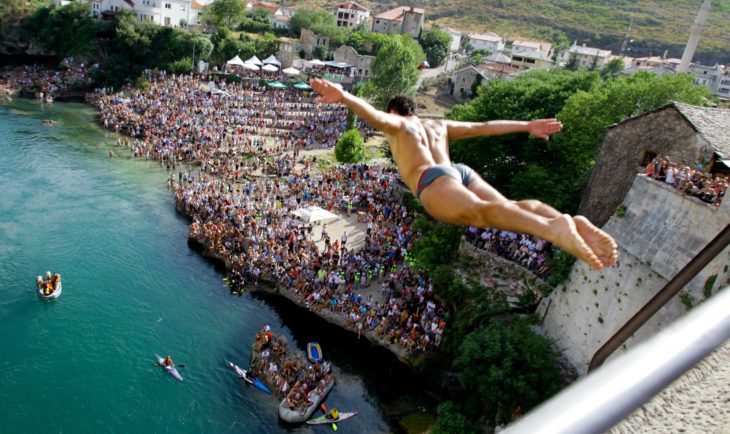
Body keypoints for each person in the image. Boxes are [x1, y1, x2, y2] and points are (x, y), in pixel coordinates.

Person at [309, 78, 618, 270]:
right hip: (458, 171)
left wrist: (345, 98)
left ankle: (556, 229)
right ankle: (558, 219)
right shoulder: (437, 125)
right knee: (509, 208)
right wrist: (526, 125)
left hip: (431, 180)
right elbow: (482, 128)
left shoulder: (399, 125)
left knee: (481, 215)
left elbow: (373, 115)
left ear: (394, 113)